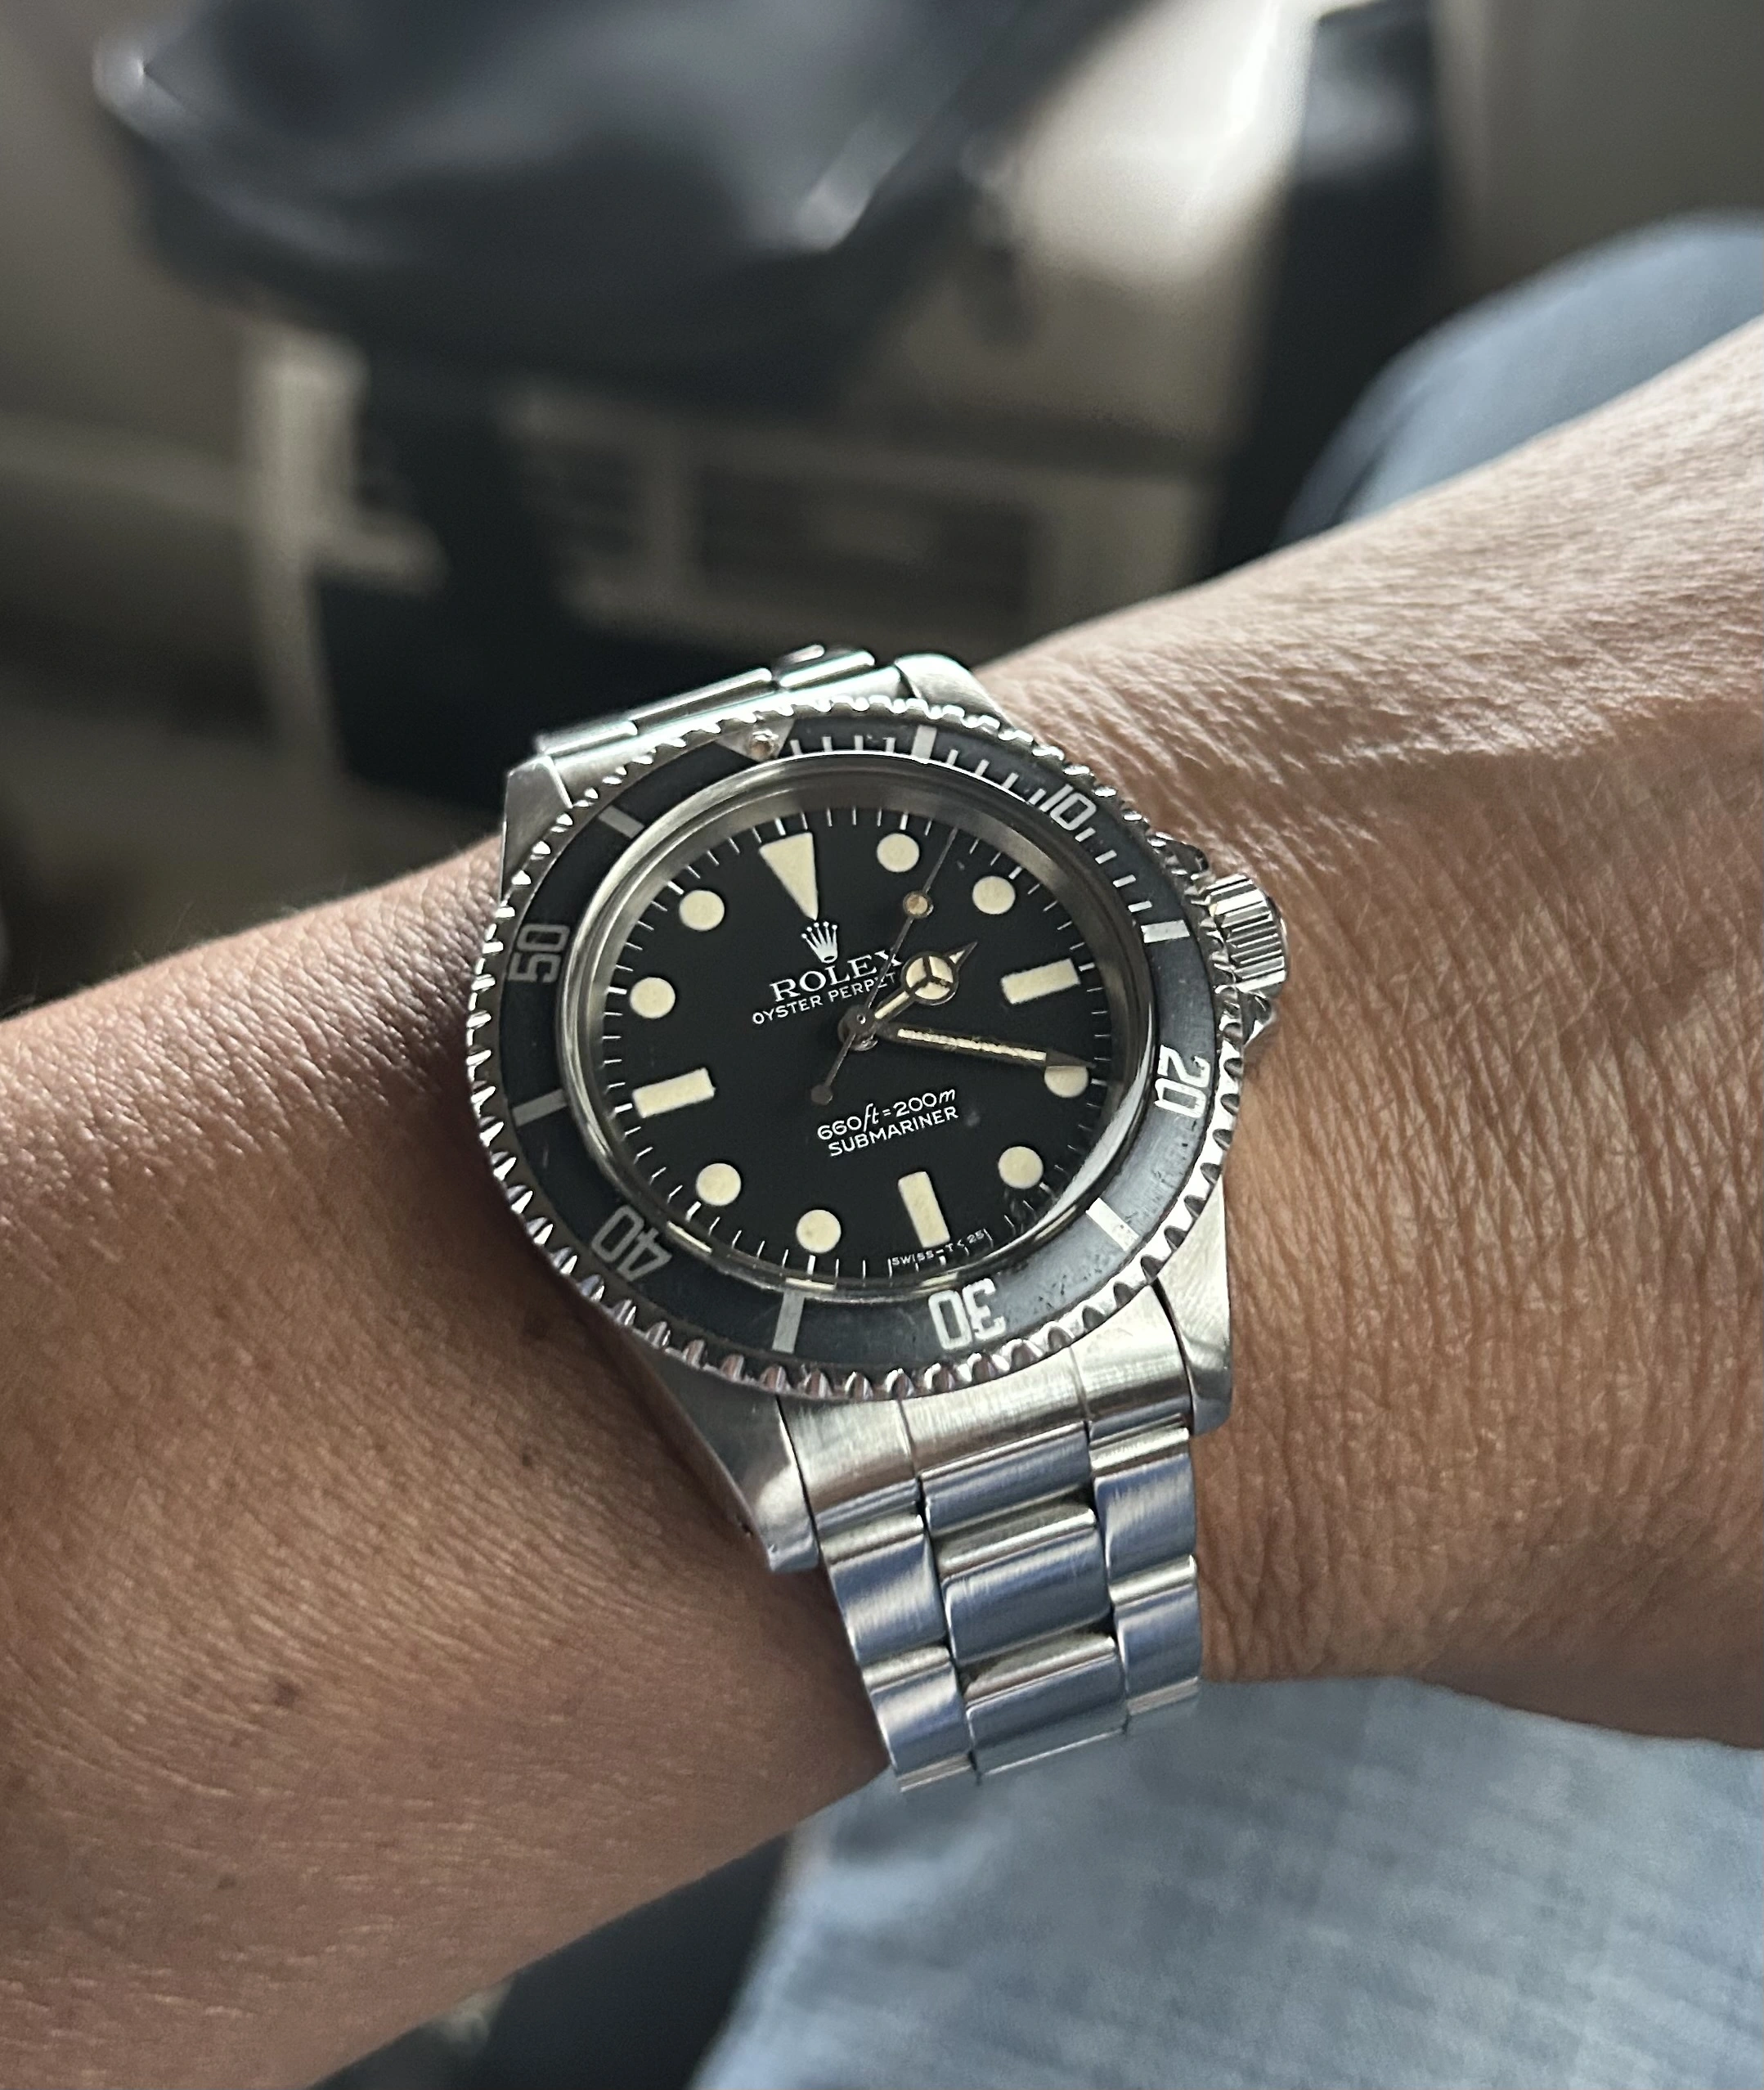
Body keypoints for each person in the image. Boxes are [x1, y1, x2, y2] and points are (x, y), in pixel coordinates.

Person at [0, 222, 1757, 2090]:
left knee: (1656, 317)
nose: (866, 1033)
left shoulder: (1114, 979)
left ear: (1206, 955)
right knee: (1670, 308)